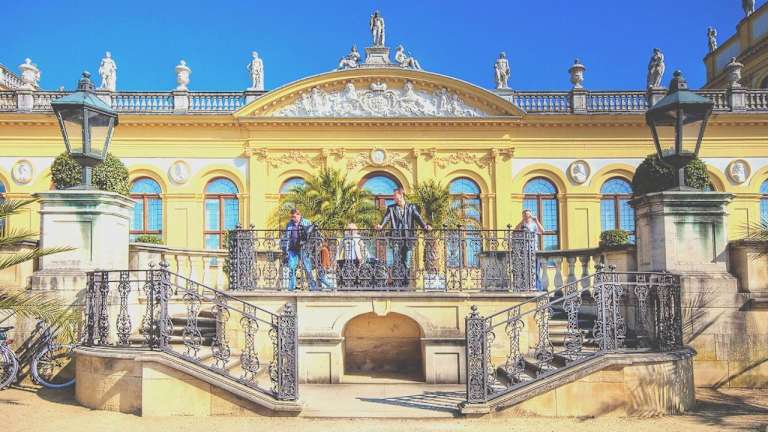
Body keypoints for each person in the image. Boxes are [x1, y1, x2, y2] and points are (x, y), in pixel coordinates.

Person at [376, 188, 431, 287]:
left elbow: (418, 218)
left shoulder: (411, 207)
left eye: (395, 196)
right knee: (396, 259)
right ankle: (396, 281)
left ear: (401, 196)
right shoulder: (391, 208)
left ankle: (405, 282)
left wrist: (425, 226)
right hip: (396, 238)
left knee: (406, 260)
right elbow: (386, 218)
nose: (393, 198)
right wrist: (381, 226)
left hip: (408, 238)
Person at [282, 209, 318, 291]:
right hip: (292, 249)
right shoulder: (289, 224)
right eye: (291, 217)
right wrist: (285, 248)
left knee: (307, 268)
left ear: (299, 215)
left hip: (303, 248)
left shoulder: (306, 222)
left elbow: (312, 234)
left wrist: (310, 246)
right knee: (292, 267)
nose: (292, 218)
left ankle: (312, 287)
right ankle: (291, 287)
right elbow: (286, 237)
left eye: (294, 216)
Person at [515, 209, 545, 291]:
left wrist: (536, 220)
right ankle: (526, 288)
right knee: (525, 271)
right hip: (524, 251)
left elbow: (542, 231)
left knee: (536, 270)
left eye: (528, 215)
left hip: (534, 250)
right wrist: (522, 221)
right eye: (525, 215)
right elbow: (515, 231)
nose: (527, 217)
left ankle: (538, 289)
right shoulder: (522, 225)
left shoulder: (534, 225)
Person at [337, 223, 364, 288]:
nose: (351, 231)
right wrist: (337, 257)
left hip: (357, 257)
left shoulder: (358, 237)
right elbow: (340, 248)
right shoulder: (345, 237)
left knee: (357, 271)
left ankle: (356, 284)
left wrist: (362, 257)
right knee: (348, 270)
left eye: (353, 229)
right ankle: (348, 284)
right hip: (347, 257)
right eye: (349, 229)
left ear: (356, 230)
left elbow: (362, 247)